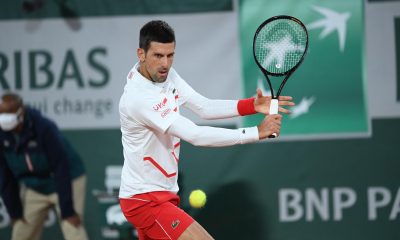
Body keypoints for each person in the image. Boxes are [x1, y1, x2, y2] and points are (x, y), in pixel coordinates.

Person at [118, 20, 294, 240]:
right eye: (158, 55)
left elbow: (204, 107)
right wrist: (255, 132)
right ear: (141, 54)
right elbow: (195, 135)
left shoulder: (166, 76)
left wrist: (251, 105)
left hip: (160, 194)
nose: (165, 63)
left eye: (170, 55)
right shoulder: (139, 98)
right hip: (145, 200)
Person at [0, 93, 88, 240]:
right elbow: (5, 175)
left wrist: (67, 211)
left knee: (72, 226)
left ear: (21, 113)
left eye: (8, 114)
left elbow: (61, 167)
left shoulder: (43, 127)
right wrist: (15, 213)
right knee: (21, 232)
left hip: (67, 179)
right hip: (35, 186)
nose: (4, 119)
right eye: (1, 114)